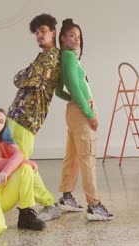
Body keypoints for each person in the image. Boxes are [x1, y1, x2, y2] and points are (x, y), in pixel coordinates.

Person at [55, 18, 113, 220]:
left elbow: (58, 90)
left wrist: (72, 100)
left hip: (74, 111)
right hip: (81, 111)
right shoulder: (69, 57)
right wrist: (88, 112)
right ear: (63, 38)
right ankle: (95, 205)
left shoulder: (64, 58)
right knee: (88, 159)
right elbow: (76, 87)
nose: (77, 40)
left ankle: (66, 197)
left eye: (78, 36)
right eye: (72, 36)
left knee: (72, 157)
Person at [7, 13, 61, 222]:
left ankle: (48, 204)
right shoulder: (42, 56)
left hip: (28, 119)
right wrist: (24, 76)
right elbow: (24, 78)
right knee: (17, 161)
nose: (39, 35)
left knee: (22, 163)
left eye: (43, 31)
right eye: (37, 32)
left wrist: (22, 76)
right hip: (17, 116)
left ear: (53, 32)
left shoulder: (51, 57)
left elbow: (25, 77)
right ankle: (37, 204)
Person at [0, 108, 46, 236]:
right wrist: (22, 162)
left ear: (3, 126)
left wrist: (19, 164)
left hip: (4, 192)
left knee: (25, 170)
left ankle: (25, 215)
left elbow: (19, 154)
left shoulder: (2, 142)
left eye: (1, 121)